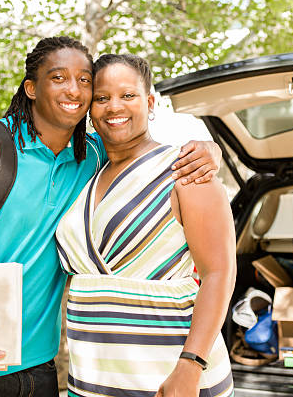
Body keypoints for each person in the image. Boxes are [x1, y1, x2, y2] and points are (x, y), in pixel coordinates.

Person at [0, 37, 222, 397]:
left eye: (85, 80)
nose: (75, 89)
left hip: (40, 369)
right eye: (58, 77)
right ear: (31, 88)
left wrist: (210, 150)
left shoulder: (92, 159)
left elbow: (138, 140)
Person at [56, 54, 236, 397]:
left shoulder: (185, 171)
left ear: (149, 102)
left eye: (128, 95)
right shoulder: (84, 174)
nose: (113, 107)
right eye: (102, 98)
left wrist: (191, 365)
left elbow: (220, 273)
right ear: (90, 110)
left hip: (172, 377)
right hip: (95, 379)